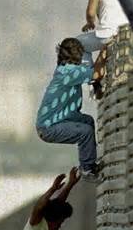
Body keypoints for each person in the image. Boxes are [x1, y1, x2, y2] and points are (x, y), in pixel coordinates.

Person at [36, 38, 100, 182]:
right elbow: (97, 73)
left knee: (88, 121)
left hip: (62, 118)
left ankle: (90, 161)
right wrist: (105, 51)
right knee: (85, 131)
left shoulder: (67, 70)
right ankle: (87, 169)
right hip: (49, 127)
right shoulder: (68, 72)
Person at [15, 167, 80, 230]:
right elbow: (38, 207)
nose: (59, 226)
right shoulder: (36, 226)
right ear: (52, 220)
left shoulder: (49, 229)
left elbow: (58, 204)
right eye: (59, 223)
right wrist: (52, 189)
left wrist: (70, 184)